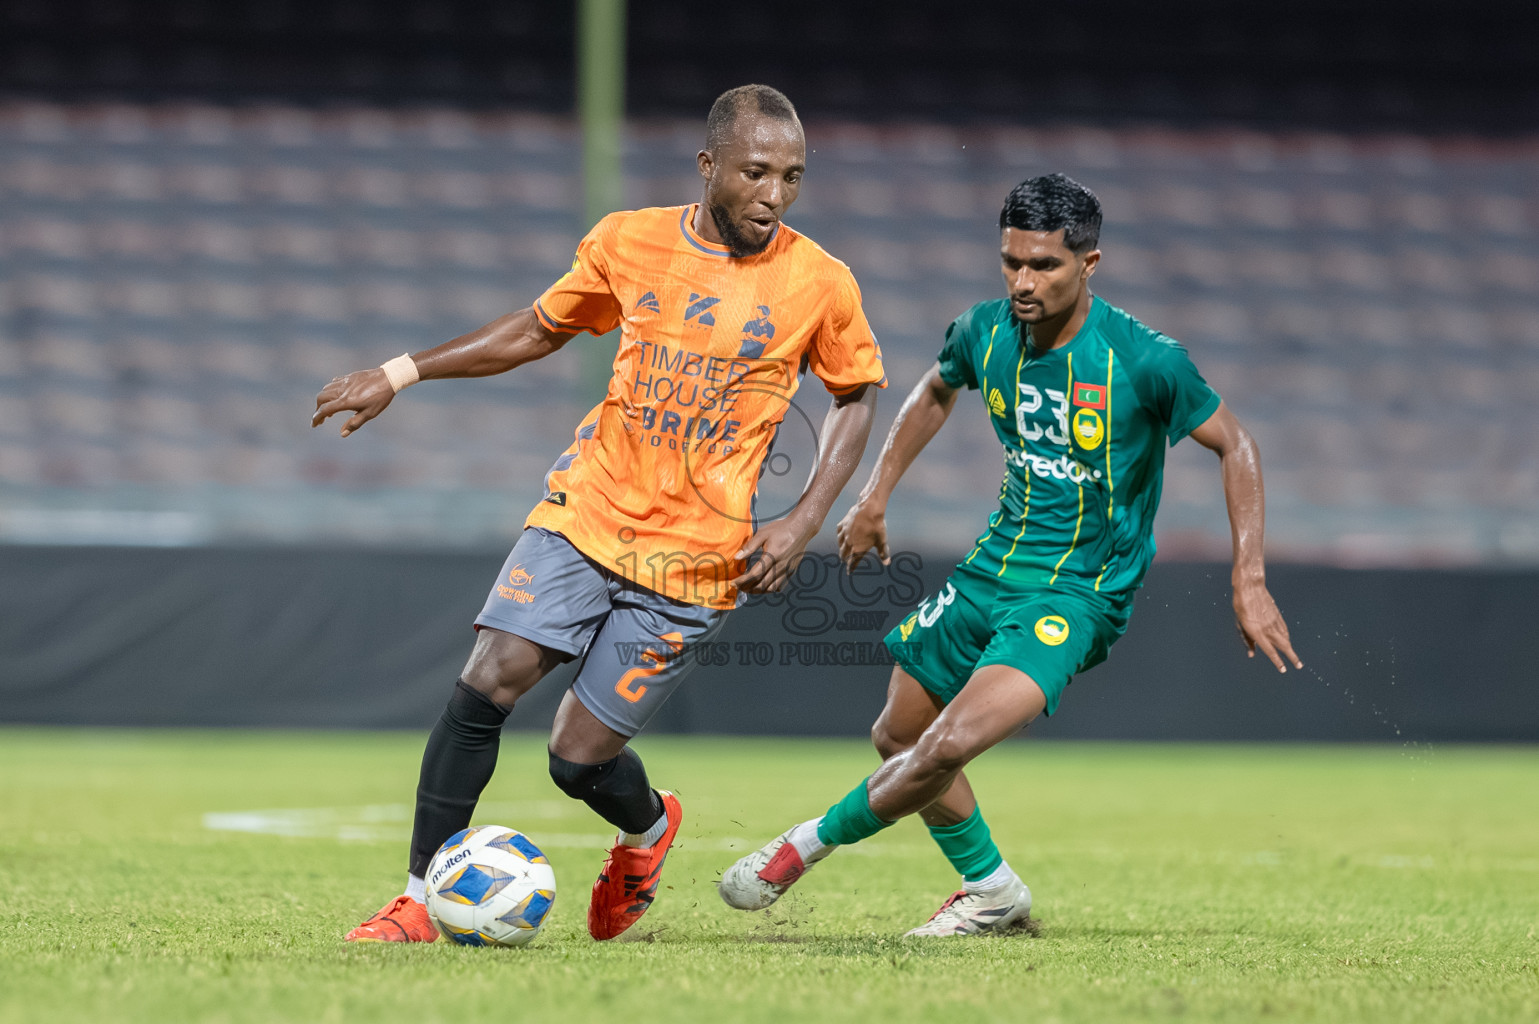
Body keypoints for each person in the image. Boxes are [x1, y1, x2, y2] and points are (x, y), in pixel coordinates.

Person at [312, 84, 886, 943]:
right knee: (490, 677)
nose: (774, 195)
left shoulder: (821, 282)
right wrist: (400, 372)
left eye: (792, 177)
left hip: (693, 562)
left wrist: (804, 518)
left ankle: (647, 831)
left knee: (576, 760)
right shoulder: (628, 240)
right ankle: (418, 901)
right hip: (586, 512)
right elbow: (537, 329)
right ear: (708, 166)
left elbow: (855, 394)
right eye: (755, 173)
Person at [718, 173, 1301, 937]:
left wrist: (1248, 577)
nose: (1023, 282)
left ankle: (801, 846)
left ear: (1088, 264)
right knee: (898, 737)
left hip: (1074, 595)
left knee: (947, 744)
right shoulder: (982, 331)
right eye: (1011, 262)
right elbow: (933, 389)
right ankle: (991, 890)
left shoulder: (1143, 359)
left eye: (1044, 266)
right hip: (988, 571)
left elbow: (1236, 444)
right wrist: (875, 493)